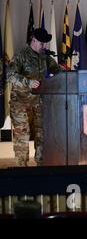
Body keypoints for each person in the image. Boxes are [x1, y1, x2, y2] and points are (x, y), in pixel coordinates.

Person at [7, 27, 63, 167]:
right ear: (34, 40)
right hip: (20, 102)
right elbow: (10, 75)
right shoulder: (21, 55)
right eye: (42, 43)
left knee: (42, 135)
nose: (44, 46)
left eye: (45, 43)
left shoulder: (44, 56)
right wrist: (28, 82)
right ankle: (22, 168)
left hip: (38, 102)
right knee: (23, 135)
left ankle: (41, 166)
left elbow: (57, 71)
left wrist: (67, 75)